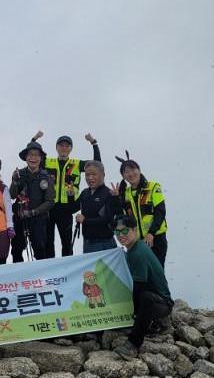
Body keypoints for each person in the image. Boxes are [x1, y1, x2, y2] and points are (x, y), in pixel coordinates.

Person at [31, 130, 101, 258]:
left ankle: (67, 268)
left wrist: (94, 143)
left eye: (67, 146)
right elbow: (32, 157)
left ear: (70, 149)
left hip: (66, 209)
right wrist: (34, 139)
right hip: (49, 208)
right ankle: (51, 267)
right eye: (61, 145)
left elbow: (97, 164)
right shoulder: (48, 162)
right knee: (48, 242)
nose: (64, 148)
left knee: (67, 243)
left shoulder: (77, 164)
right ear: (56, 147)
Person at [112, 215, 173, 360]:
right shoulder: (133, 248)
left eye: (125, 231)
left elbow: (140, 287)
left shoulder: (138, 253)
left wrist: (134, 313)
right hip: (153, 298)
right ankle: (154, 322)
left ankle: (133, 344)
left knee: (144, 298)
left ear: (134, 230)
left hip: (162, 303)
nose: (121, 236)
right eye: (117, 232)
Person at [114, 151, 168, 267]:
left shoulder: (153, 187)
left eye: (133, 169)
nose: (131, 174)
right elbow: (123, 217)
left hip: (156, 238)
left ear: (139, 170)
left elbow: (160, 211)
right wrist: (116, 198)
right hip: (137, 241)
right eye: (126, 172)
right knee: (141, 273)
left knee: (157, 272)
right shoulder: (125, 193)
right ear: (123, 176)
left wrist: (151, 233)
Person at [9, 141, 55, 261]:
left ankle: (40, 273)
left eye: (36, 155)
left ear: (41, 158)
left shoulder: (46, 177)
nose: (33, 158)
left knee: (40, 249)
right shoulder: (19, 174)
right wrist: (14, 181)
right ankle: (19, 273)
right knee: (16, 249)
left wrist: (33, 212)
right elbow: (12, 195)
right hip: (20, 218)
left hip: (38, 219)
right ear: (26, 157)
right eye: (30, 154)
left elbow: (50, 202)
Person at [67, 161, 121, 253]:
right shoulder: (85, 193)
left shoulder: (108, 193)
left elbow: (108, 219)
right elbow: (72, 209)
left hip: (104, 242)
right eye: (87, 175)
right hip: (87, 242)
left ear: (103, 175)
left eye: (93, 174)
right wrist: (70, 196)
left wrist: (85, 220)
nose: (90, 178)